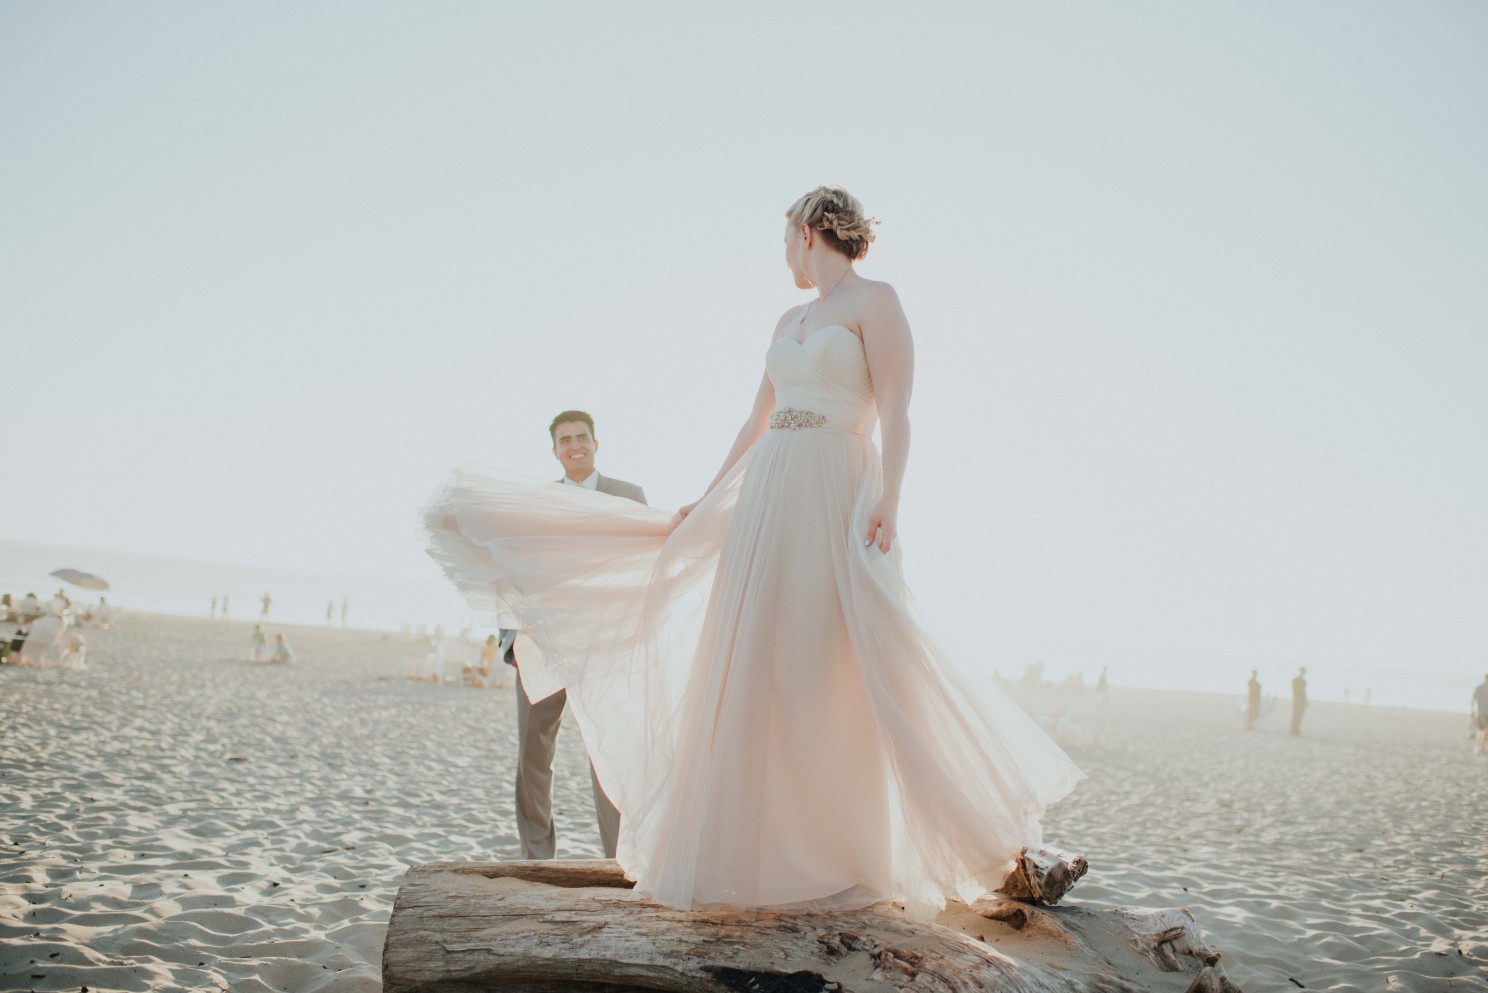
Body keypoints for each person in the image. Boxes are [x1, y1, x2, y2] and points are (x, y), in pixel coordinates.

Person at [423, 185, 1081, 916]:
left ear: (809, 230)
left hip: (838, 488)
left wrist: (890, 498)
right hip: (770, 494)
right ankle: (769, 855)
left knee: (840, 663)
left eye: (784, 237)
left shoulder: (877, 301)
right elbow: (756, 420)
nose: (782, 253)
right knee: (761, 664)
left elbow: (898, 411)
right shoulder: (788, 318)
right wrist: (706, 501)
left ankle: (877, 844)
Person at [500, 410, 642, 860]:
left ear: (596, 444)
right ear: (555, 450)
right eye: (565, 440)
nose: (575, 445)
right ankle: (536, 854)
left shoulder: (629, 495)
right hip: (543, 644)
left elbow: (643, 567)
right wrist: (510, 641)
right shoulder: (538, 502)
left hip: (604, 646)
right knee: (532, 753)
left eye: (582, 437)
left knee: (610, 749)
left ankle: (619, 857)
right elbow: (510, 568)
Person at [1472, 674, 1488, 756]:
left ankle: (1479, 747)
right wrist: (1472, 711)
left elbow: (1473, 700)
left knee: (1481, 730)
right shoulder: (1480, 688)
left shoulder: (1479, 688)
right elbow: (1473, 700)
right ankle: (1480, 747)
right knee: (1485, 730)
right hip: (1483, 713)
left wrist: (1472, 711)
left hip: (1480, 712)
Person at [1291, 666, 1308, 736]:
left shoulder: (1297, 680)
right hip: (1299, 698)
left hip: (1298, 698)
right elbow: (1303, 691)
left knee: (1297, 714)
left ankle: (1295, 729)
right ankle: (1295, 729)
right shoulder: (1300, 680)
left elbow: (1303, 691)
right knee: (1297, 715)